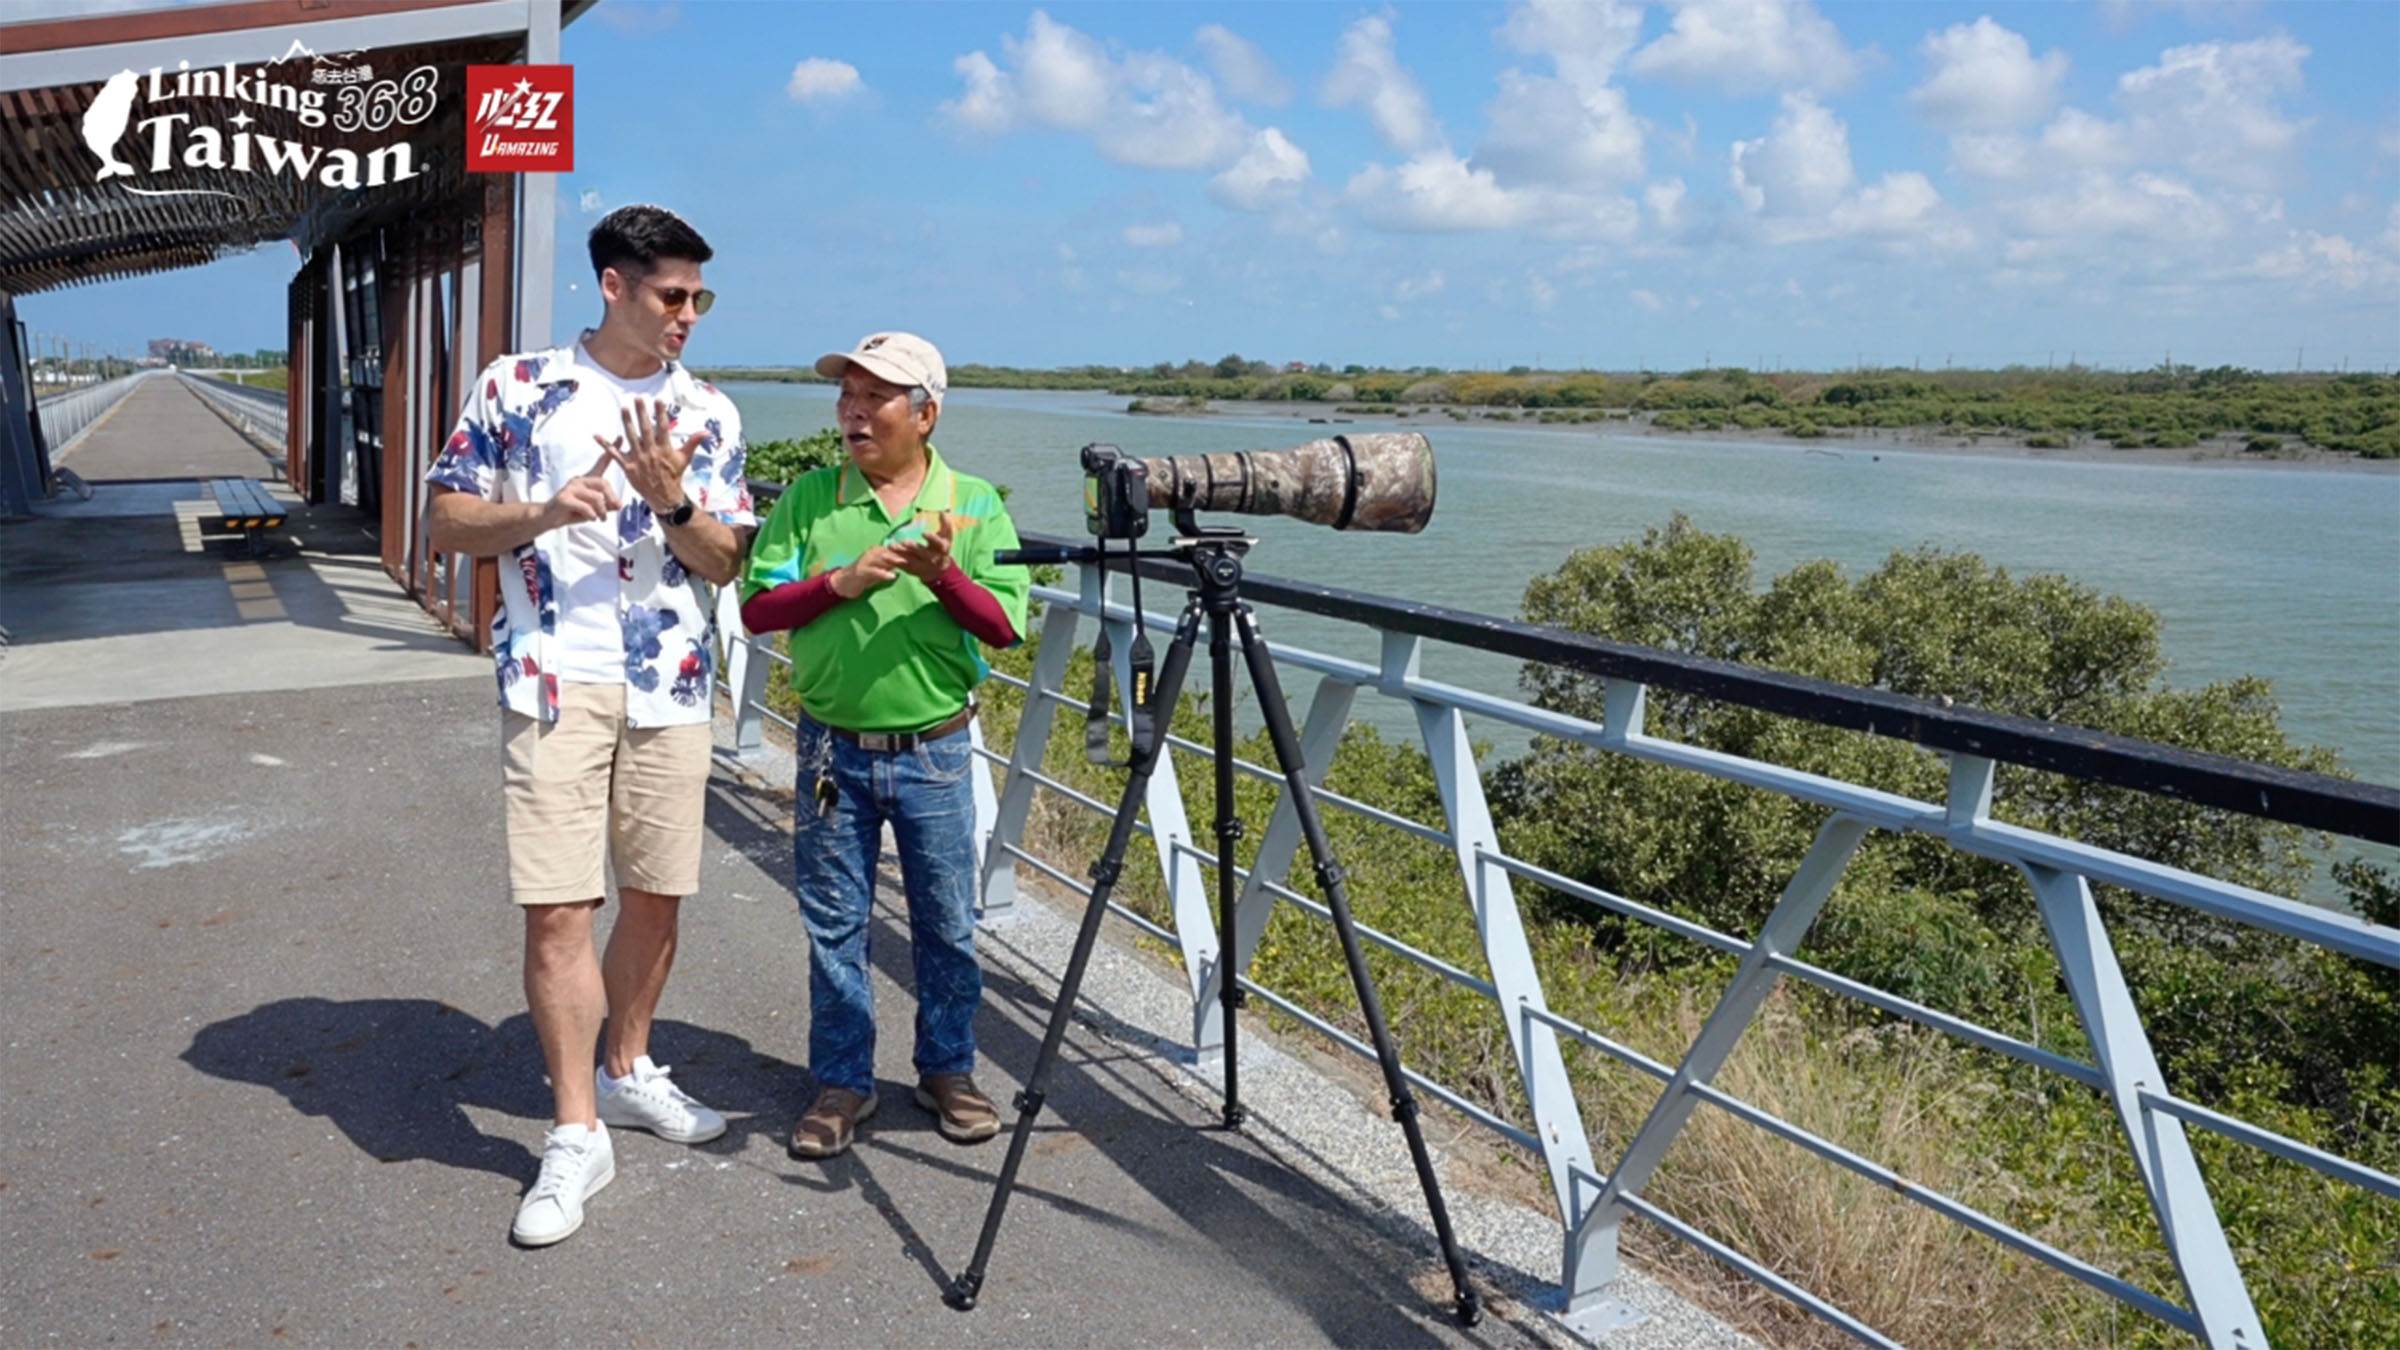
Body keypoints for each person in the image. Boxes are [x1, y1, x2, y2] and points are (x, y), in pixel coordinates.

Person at [423, 205, 755, 1246]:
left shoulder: (709, 411)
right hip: (553, 678)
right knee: (558, 909)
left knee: (657, 894)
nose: (687, 314)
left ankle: (626, 1065)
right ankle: (575, 1133)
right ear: (613, 285)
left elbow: (726, 563)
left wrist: (672, 502)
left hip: (671, 683)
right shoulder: (519, 387)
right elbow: (444, 518)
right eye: (671, 294)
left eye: (699, 297)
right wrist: (544, 512)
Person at [739, 331, 1028, 1160]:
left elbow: (1004, 626)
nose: (854, 413)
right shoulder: (810, 498)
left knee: (946, 922)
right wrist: (841, 582)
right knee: (835, 923)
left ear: (925, 415)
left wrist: (943, 574)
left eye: (876, 398)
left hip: (936, 748)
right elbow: (757, 610)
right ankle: (842, 1082)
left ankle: (948, 1069)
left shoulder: (973, 503)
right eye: (847, 396)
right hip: (832, 749)